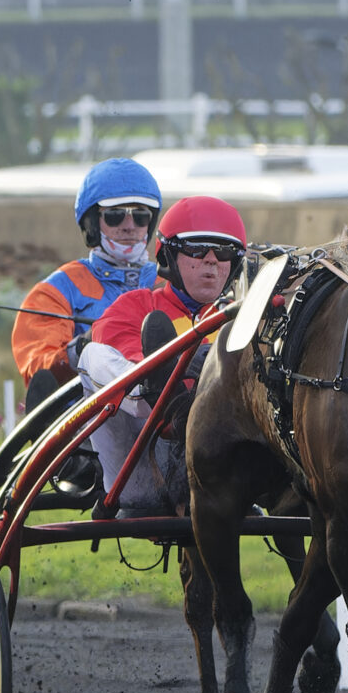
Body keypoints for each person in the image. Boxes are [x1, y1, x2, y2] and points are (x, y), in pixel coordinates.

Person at [74, 195, 245, 518]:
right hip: (141, 472)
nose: (210, 261)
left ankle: (174, 381)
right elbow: (119, 350)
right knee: (92, 355)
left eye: (222, 252)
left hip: (225, 473)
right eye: (197, 250)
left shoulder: (242, 320)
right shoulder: (136, 306)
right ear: (168, 255)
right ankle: (160, 385)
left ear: (233, 263)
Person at [12, 158, 163, 406]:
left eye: (140, 216)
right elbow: (37, 368)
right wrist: (82, 348)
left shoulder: (169, 284)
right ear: (92, 223)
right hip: (86, 425)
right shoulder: (54, 292)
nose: (129, 226)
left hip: (158, 418)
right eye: (115, 216)